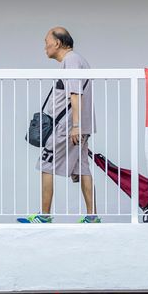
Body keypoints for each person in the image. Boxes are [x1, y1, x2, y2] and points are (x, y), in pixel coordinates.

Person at [19, 27, 98, 224]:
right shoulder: (78, 60)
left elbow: (75, 93)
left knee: (46, 165)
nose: (44, 46)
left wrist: (75, 125)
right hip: (78, 125)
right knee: (82, 168)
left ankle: (44, 216)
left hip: (66, 126)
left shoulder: (71, 60)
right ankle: (92, 216)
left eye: (46, 41)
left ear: (58, 43)